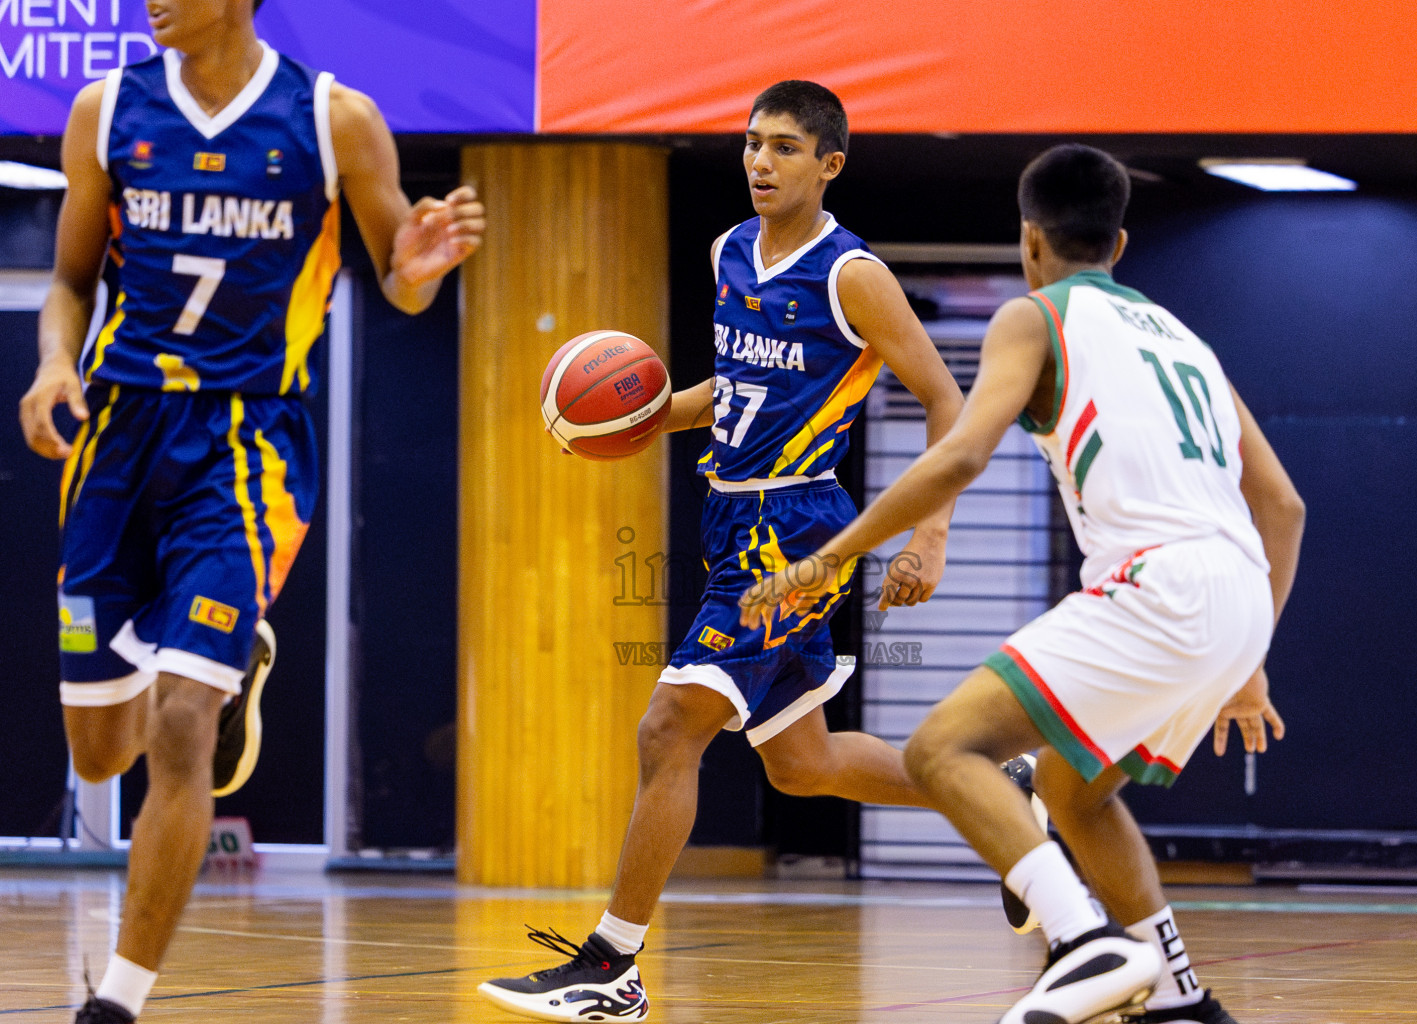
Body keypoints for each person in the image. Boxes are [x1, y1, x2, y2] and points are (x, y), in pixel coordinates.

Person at [739, 144, 1305, 1024]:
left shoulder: (1033, 317)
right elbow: (1283, 503)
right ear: (1119, 245)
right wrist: (1251, 655)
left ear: (1029, 239)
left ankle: (1081, 942)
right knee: (1076, 792)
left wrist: (831, 555)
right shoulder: (1184, 337)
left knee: (940, 750)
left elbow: (960, 452)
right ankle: (1178, 995)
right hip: (1235, 594)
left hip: (1158, 586)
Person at [17, 1, 483, 1020]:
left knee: (185, 722)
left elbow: (399, 277)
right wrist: (55, 357)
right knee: (101, 751)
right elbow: (67, 277)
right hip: (115, 438)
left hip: (247, 450)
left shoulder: (333, 120)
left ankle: (120, 1001)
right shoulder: (105, 109)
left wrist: (415, 273)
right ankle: (221, 656)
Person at [477, 80, 965, 1022]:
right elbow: (732, 387)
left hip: (796, 529)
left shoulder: (851, 275)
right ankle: (993, 790)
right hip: (727, 515)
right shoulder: (729, 252)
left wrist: (928, 534)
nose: (759, 161)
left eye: (784, 147)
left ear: (829, 164)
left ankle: (610, 967)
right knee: (804, 765)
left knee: (667, 729)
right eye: (750, 143)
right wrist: (636, 418)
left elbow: (949, 401)